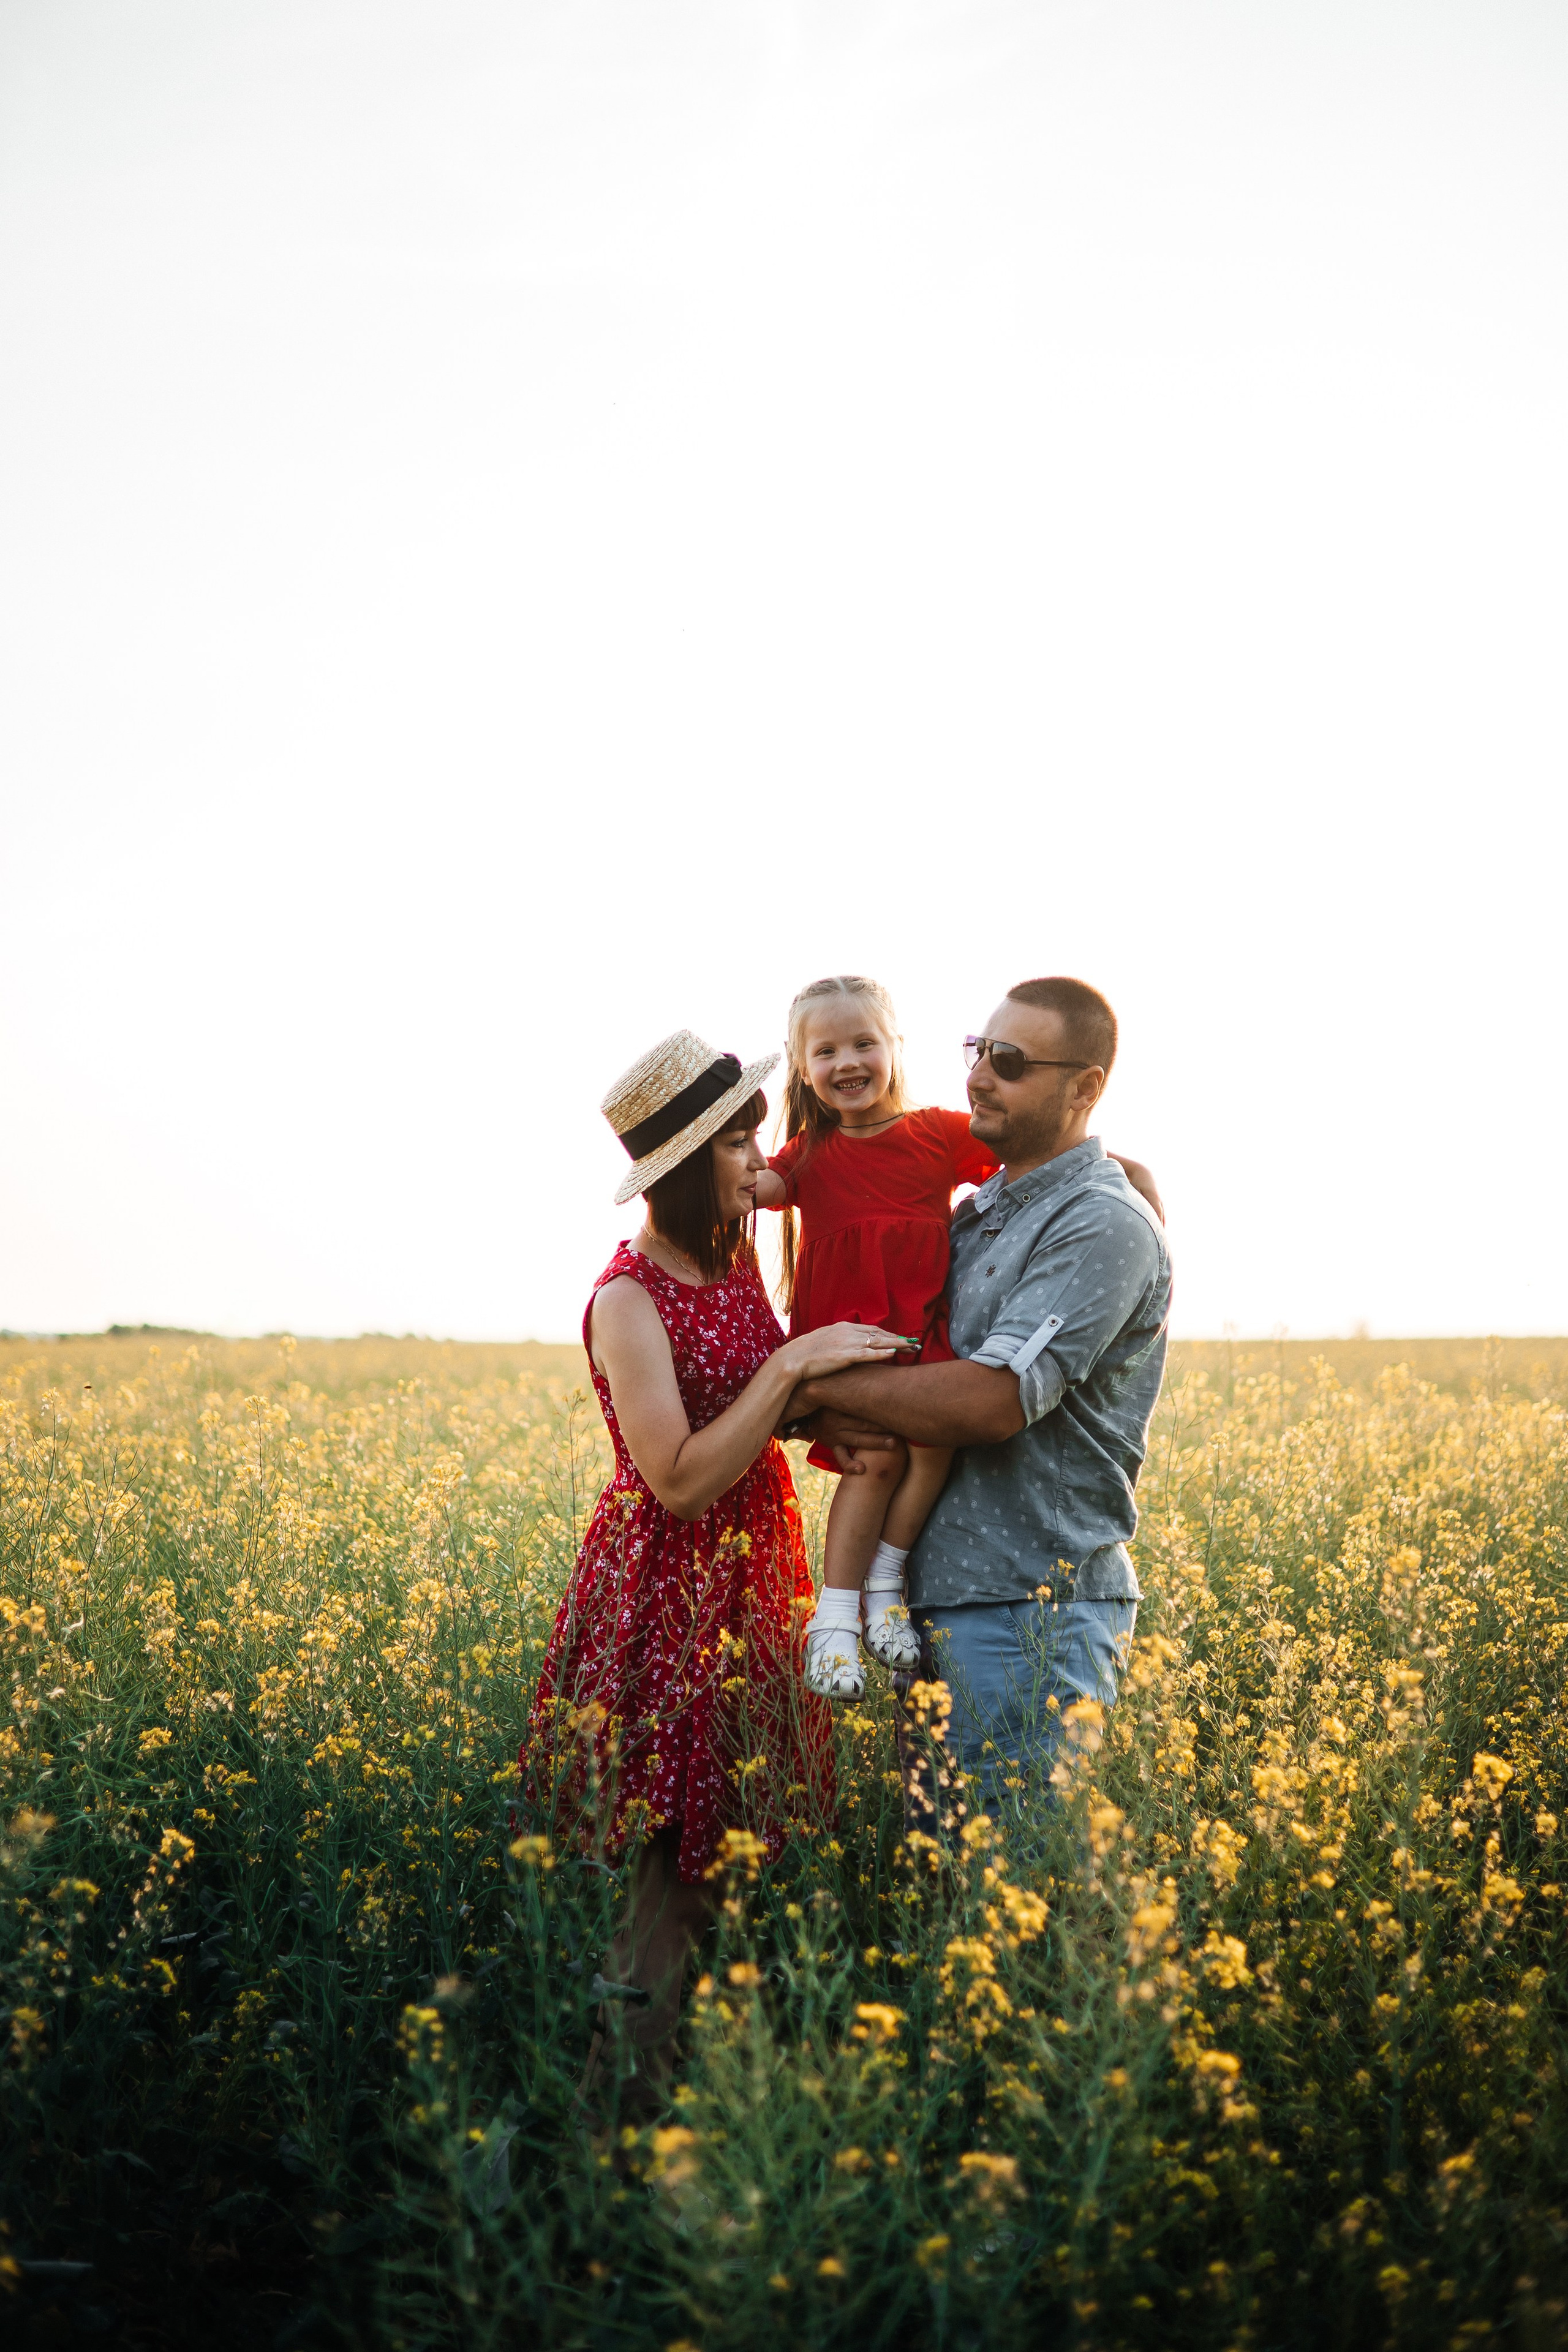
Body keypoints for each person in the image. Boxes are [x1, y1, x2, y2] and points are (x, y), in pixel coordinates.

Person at [521, 1028, 907, 2116]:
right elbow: (683, 1479)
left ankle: (661, 2115)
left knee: (721, 1873)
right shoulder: (627, 1300)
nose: (759, 1160)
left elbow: (765, 1413)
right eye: (740, 1144)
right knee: (672, 1886)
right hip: (669, 1593)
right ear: (689, 1164)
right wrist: (792, 1368)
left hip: (750, 1580)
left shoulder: (732, 1261)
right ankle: (601, 2143)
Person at [781, 976, 1172, 1817]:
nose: (981, 1076)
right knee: (941, 1899)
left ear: (1085, 1088)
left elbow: (989, 1403)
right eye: (978, 1051)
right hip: (933, 1609)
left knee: (1011, 1902)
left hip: (1028, 1614)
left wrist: (809, 1383)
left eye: (1010, 1060)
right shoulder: (978, 1211)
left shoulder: (1098, 1221)